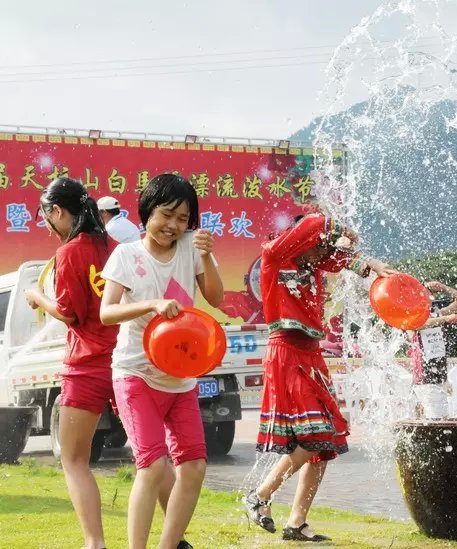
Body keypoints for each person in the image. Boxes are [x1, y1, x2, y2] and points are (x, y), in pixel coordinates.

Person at [244, 213, 396, 542]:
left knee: (324, 443)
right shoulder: (275, 257)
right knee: (315, 437)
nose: (319, 251)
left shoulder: (313, 266)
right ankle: (260, 496)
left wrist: (371, 263)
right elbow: (316, 224)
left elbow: (342, 258)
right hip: (286, 354)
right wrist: (341, 228)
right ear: (299, 238)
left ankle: (297, 522)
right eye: (315, 244)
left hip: (310, 356)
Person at [100, 173, 223, 549]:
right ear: (147, 211)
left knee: (194, 467)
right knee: (152, 467)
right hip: (135, 374)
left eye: (183, 219)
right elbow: (106, 313)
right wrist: (152, 304)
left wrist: (205, 255)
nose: (173, 225)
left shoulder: (191, 248)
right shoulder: (127, 254)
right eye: (166, 214)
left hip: (180, 377)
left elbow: (215, 299)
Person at [23, 177, 119, 549]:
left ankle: (94, 543)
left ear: (58, 211)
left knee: (75, 460)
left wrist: (35, 295)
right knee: (149, 455)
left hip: (86, 364)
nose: (47, 227)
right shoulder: (115, 246)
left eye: (45, 217)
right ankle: (175, 538)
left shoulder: (69, 252)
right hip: (125, 361)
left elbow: (68, 312)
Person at [407, 281, 457, 418]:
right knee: (436, 417)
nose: (430, 296)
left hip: (440, 371)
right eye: (426, 294)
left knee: (442, 416)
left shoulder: (437, 313)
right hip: (424, 375)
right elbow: (418, 325)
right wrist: (446, 319)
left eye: (431, 294)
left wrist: (444, 287)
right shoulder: (411, 315)